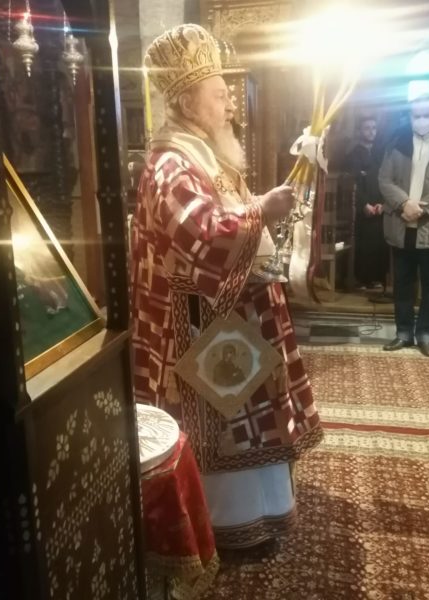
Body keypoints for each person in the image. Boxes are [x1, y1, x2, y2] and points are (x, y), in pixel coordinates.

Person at [131, 24, 322, 549]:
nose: (231, 106)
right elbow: (200, 233)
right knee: (224, 425)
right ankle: (228, 525)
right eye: (220, 95)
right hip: (196, 326)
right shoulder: (170, 162)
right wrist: (263, 210)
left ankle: (265, 513)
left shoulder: (203, 152)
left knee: (250, 418)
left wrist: (263, 205)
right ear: (187, 102)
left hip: (232, 311)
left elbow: (226, 213)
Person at [379, 96, 429, 357]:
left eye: (427, 115)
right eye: (417, 116)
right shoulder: (397, 141)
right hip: (401, 224)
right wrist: (404, 203)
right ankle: (403, 333)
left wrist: (423, 208)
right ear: (410, 116)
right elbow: (384, 179)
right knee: (403, 282)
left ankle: (426, 335)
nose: (421, 120)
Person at [345, 116, 389, 291]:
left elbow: (387, 179)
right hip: (362, 208)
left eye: (373, 128)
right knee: (365, 244)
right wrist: (364, 205)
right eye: (367, 128)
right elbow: (352, 183)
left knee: (380, 243)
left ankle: (378, 278)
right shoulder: (353, 155)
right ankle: (362, 279)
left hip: (380, 205)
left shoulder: (380, 153)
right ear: (359, 131)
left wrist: (383, 204)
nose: (371, 132)